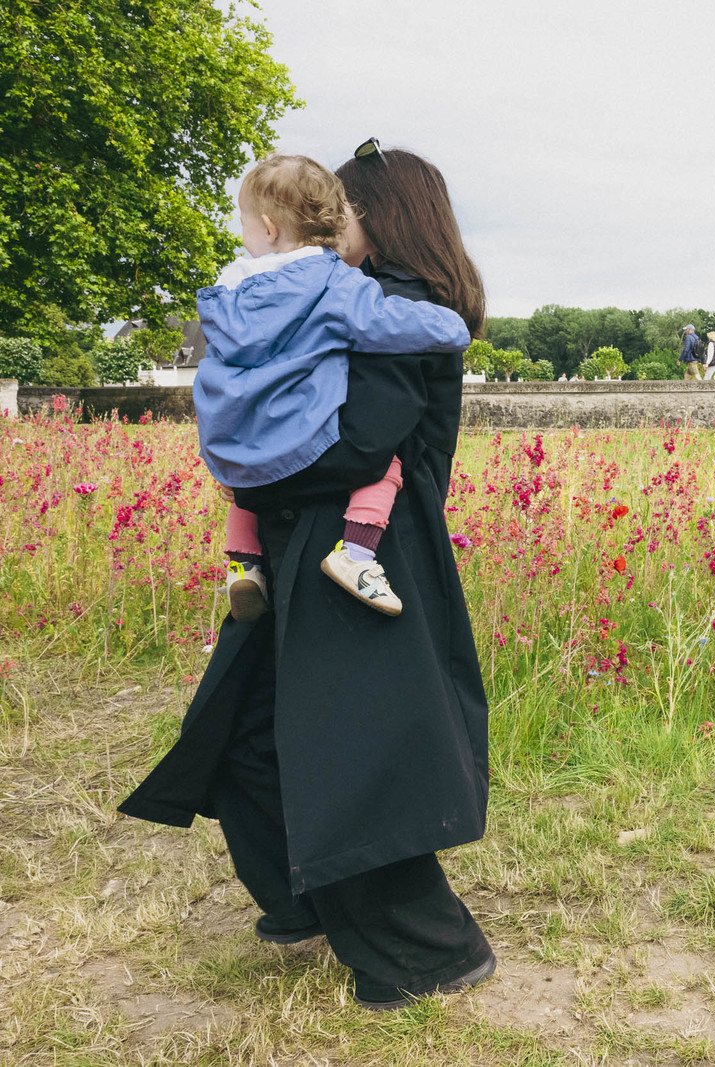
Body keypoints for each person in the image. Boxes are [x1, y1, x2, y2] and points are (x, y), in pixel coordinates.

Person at [120, 142, 496, 1011]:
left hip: (361, 550)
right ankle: (307, 897)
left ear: (382, 216)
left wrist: (246, 459)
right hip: (308, 547)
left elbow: (359, 444)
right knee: (246, 734)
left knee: (353, 759)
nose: (331, 230)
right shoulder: (344, 302)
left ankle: (426, 950)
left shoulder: (393, 308)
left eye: (347, 212)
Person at [195, 155, 469, 623]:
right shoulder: (337, 285)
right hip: (308, 448)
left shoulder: (229, 290)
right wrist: (452, 326)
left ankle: (243, 560)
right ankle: (357, 555)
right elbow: (387, 325)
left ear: (266, 227)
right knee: (385, 466)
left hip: (229, 439)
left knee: (246, 474)